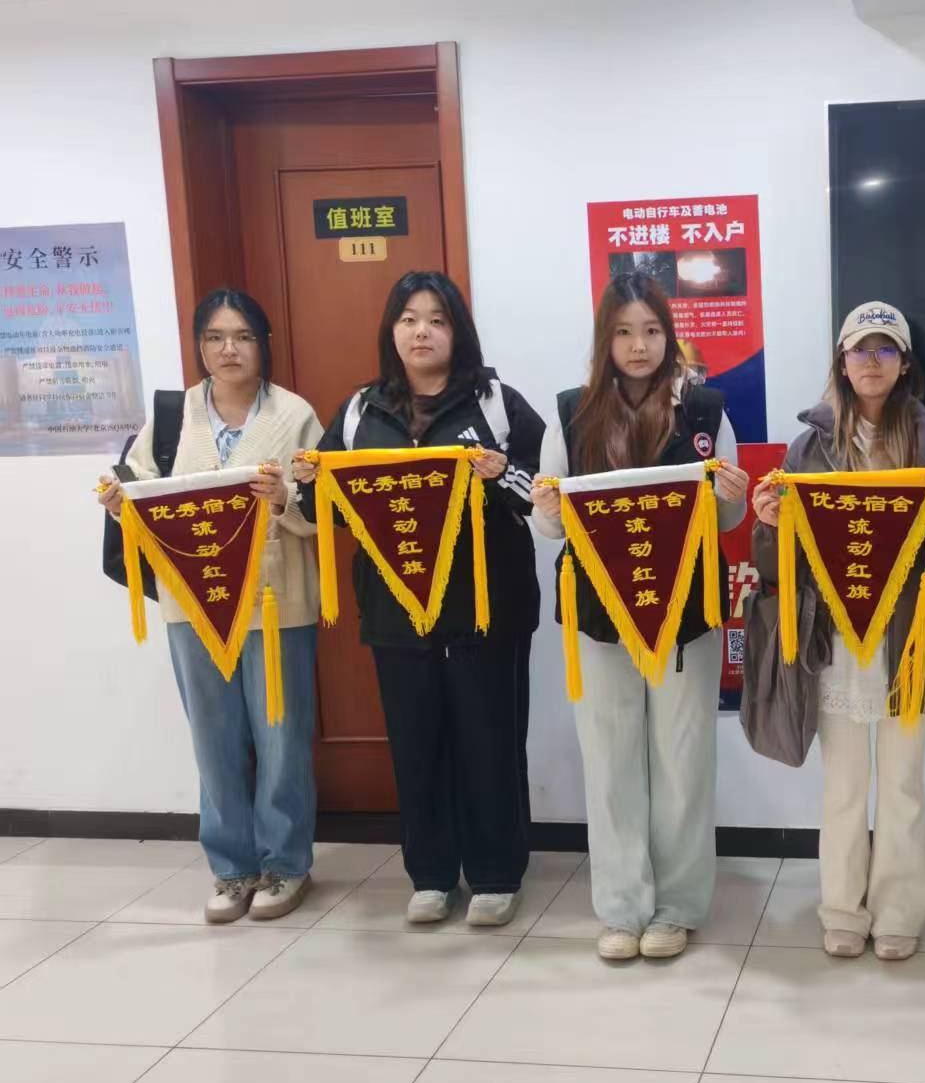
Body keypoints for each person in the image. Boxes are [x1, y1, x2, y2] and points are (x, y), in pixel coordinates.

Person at [292, 271, 544, 928]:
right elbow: (327, 510)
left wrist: (500, 473)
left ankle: (496, 873)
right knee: (416, 743)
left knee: (490, 739)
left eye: (436, 319)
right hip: (396, 608)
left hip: (486, 607)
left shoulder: (497, 404)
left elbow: (542, 496)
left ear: (457, 331)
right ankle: (430, 874)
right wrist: (305, 483)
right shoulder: (360, 411)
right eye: (408, 319)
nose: (421, 331)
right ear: (391, 331)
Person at [750, 302, 925, 961]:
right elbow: (777, 567)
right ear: (843, 361)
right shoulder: (808, 449)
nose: (872, 361)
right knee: (845, 786)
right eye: (861, 349)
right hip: (837, 644)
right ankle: (842, 909)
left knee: (903, 785)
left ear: (904, 363)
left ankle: (900, 910)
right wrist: (768, 526)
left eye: (886, 349)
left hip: (909, 643)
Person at [531, 271, 749, 961]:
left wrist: (733, 496)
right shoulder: (570, 412)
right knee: (610, 760)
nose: (638, 346)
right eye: (624, 332)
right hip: (599, 612)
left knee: (683, 759)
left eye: (652, 330)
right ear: (605, 339)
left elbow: (727, 519)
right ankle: (622, 908)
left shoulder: (706, 412)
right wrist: (547, 510)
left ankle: (678, 907)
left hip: (686, 613)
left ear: (669, 335)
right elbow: (551, 527)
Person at [97, 289, 323, 924]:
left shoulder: (296, 415)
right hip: (191, 604)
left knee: (282, 737)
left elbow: (326, 508)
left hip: (277, 604)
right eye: (216, 337)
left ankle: (286, 863)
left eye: (243, 336)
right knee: (212, 736)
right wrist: (120, 507)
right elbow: (142, 495)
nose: (230, 349)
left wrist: (284, 500)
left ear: (264, 344)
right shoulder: (171, 418)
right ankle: (231, 868)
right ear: (199, 345)